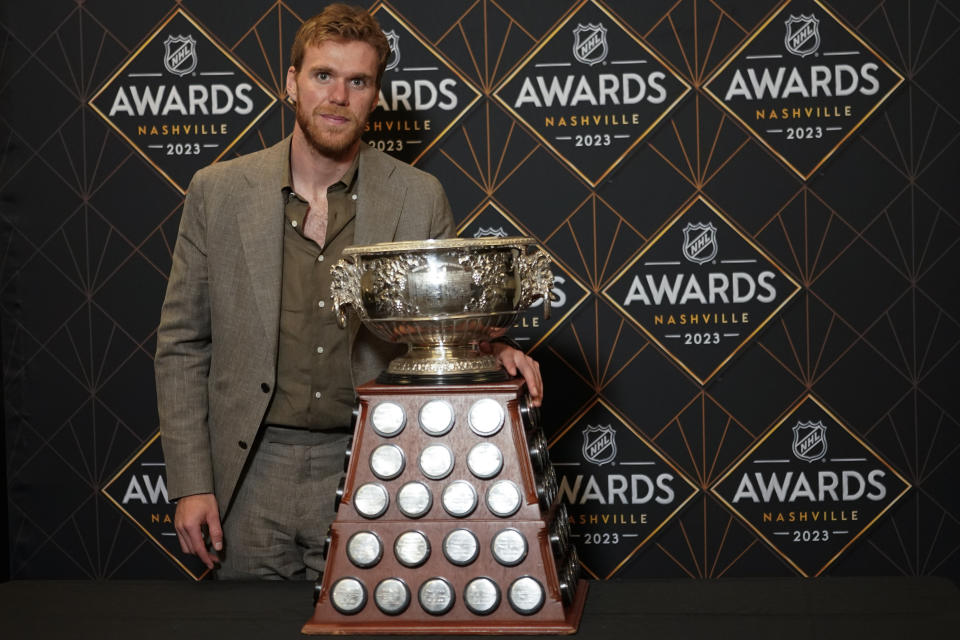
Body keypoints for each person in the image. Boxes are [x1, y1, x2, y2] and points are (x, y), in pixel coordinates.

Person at [155, 3, 542, 580]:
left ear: (373, 96)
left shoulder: (418, 196)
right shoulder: (218, 191)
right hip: (250, 474)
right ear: (291, 83)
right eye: (323, 76)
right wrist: (190, 484)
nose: (338, 95)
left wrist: (486, 351)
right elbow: (183, 344)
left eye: (357, 81)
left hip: (378, 466)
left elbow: (442, 330)